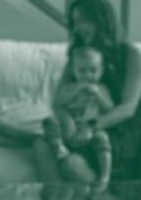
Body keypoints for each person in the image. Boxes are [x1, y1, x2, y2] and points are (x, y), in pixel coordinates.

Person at [32, 0, 141, 200]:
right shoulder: (78, 55)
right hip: (82, 125)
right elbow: (58, 99)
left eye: (83, 21)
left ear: (101, 21)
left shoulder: (131, 55)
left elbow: (129, 108)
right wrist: (68, 123)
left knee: (73, 162)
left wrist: (91, 127)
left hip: (121, 129)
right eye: (74, 22)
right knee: (40, 144)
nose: (78, 28)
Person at [43, 43, 114, 189]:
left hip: (89, 129)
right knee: (48, 123)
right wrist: (76, 91)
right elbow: (57, 102)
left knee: (103, 138)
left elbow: (109, 108)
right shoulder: (69, 88)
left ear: (101, 71)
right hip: (66, 128)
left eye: (93, 70)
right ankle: (59, 149)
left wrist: (98, 96)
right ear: (73, 72)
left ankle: (105, 175)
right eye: (82, 71)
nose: (88, 75)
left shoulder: (102, 89)